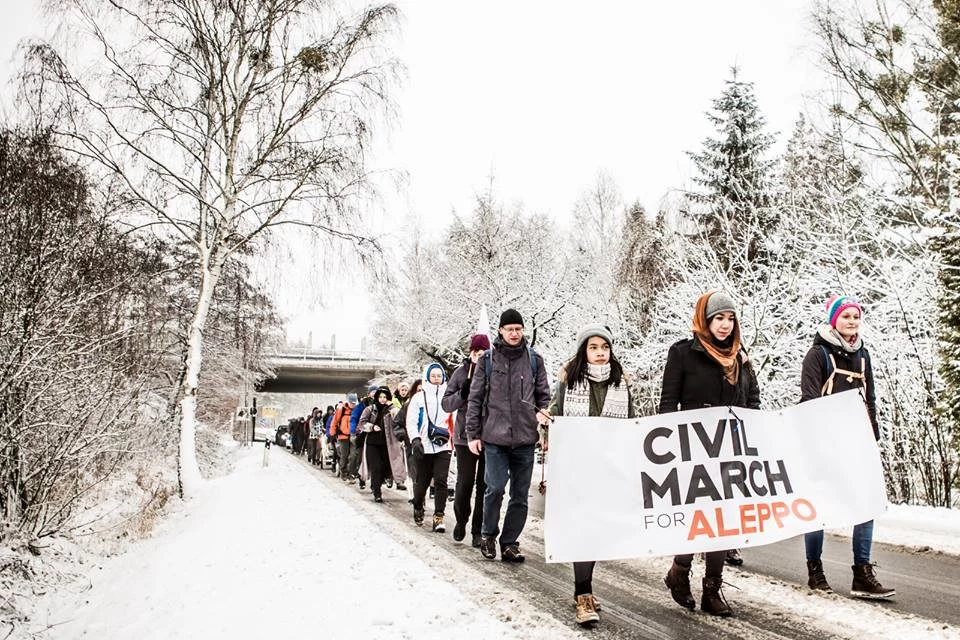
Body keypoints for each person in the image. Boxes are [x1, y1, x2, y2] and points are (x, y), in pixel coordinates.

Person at [659, 291, 760, 617]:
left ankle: (712, 589)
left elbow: (753, 397)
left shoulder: (740, 356)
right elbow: (667, 403)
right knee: (698, 518)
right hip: (693, 449)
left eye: (730, 319)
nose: (725, 325)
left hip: (730, 448)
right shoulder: (683, 353)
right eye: (718, 318)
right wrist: (670, 446)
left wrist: (752, 429)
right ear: (705, 319)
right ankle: (680, 572)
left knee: (725, 521)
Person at [799, 295, 895, 599]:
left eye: (856, 316)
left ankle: (862, 573)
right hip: (824, 442)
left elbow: (871, 399)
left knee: (865, 503)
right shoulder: (818, 355)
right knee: (819, 507)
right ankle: (815, 570)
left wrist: (872, 437)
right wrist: (818, 440)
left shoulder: (863, 354)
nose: (852, 321)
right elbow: (809, 399)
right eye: (846, 316)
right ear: (833, 320)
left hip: (856, 441)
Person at [547, 324, 634, 626]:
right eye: (593, 347)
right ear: (583, 351)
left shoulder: (622, 384)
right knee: (583, 527)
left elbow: (631, 424)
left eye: (604, 347)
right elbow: (555, 412)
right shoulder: (568, 381)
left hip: (608, 468)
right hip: (576, 466)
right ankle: (583, 594)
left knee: (596, 529)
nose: (600, 353)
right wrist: (546, 420)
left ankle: (583, 587)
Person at [465, 309, 550, 563]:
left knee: (520, 496)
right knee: (495, 489)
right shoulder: (488, 361)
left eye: (518, 329)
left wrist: (544, 419)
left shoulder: (534, 360)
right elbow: (475, 399)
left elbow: (543, 396)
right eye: (509, 329)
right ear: (500, 331)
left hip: (525, 439)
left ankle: (510, 542)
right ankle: (488, 535)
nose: (514, 333)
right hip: (495, 438)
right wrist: (473, 434)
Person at [442, 333, 491, 548]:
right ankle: (461, 520)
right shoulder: (461, 373)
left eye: (483, 353)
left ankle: (477, 531)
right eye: (476, 352)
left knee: (485, 485)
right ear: (470, 352)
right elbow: (446, 404)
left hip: (491, 436)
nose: (479, 356)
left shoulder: (494, 372)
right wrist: (462, 394)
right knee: (465, 483)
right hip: (464, 437)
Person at [406, 364, 455, 531]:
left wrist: (454, 438)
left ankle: (439, 517)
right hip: (424, 445)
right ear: (427, 377)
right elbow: (411, 421)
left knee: (441, 481)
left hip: (443, 444)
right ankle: (418, 505)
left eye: (439, 375)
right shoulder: (418, 398)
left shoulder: (448, 397)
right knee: (423, 482)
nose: (436, 378)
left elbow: (454, 419)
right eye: (433, 375)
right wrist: (415, 439)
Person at [357, 386, 397, 503]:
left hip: (386, 444)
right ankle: (377, 492)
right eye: (380, 397)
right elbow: (361, 423)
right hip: (372, 443)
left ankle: (377, 485)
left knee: (385, 467)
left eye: (385, 397)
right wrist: (372, 427)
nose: (383, 399)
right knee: (376, 467)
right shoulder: (370, 409)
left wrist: (393, 409)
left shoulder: (392, 409)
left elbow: (399, 420)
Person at [394, 379, 422, 496]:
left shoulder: (433, 404)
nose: (421, 393)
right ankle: (417, 498)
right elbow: (398, 423)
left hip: (430, 442)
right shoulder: (407, 405)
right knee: (415, 471)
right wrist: (402, 435)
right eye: (418, 390)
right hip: (411, 442)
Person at [332, 394, 357, 481]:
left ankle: (351, 473)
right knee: (344, 456)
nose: (353, 405)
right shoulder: (341, 410)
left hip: (353, 436)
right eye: (351, 403)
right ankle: (343, 472)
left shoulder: (357, 410)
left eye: (354, 403)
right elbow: (334, 422)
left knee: (353, 456)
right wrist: (332, 434)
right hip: (343, 436)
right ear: (348, 402)